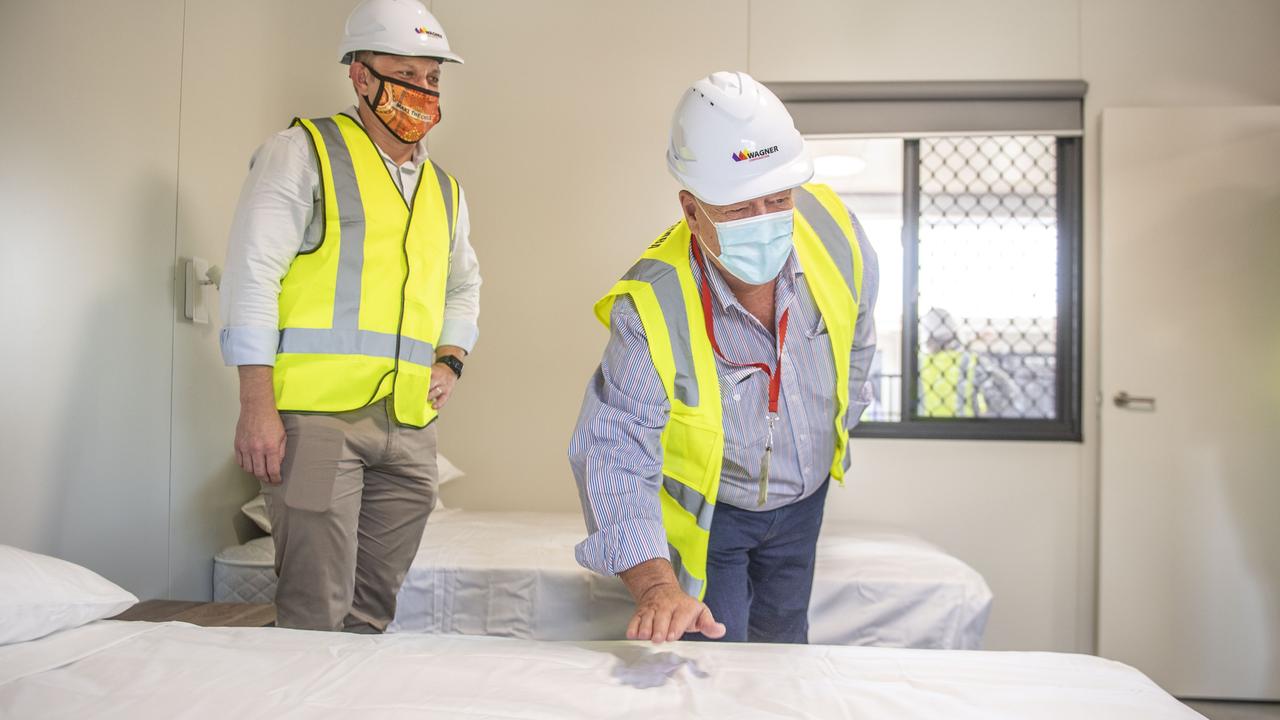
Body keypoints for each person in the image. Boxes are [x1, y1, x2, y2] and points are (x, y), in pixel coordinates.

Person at [568, 71, 878, 644]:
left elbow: (858, 340)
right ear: (691, 210)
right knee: (715, 661)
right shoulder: (652, 305)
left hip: (806, 499)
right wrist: (657, 584)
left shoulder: (837, 234)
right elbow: (614, 449)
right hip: (714, 519)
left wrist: (829, 431)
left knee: (785, 648)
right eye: (738, 207)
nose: (765, 218)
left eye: (778, 199)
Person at [218, 0, 481, 632]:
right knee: (316, 608)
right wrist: (257, 407)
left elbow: (464, 286)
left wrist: (450, 359)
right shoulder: (301, 151)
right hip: (316, 424)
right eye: (406, 75)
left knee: (373, 611)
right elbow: (253, 276)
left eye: (433, 80)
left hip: (410, 426)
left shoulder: (444, 188)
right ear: (360, 76)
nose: (422, 92)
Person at [918, 308, 1020, 418]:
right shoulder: (970, 361)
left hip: (926, 430)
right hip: (966, 430)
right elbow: (1009, 390)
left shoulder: (919, 364)